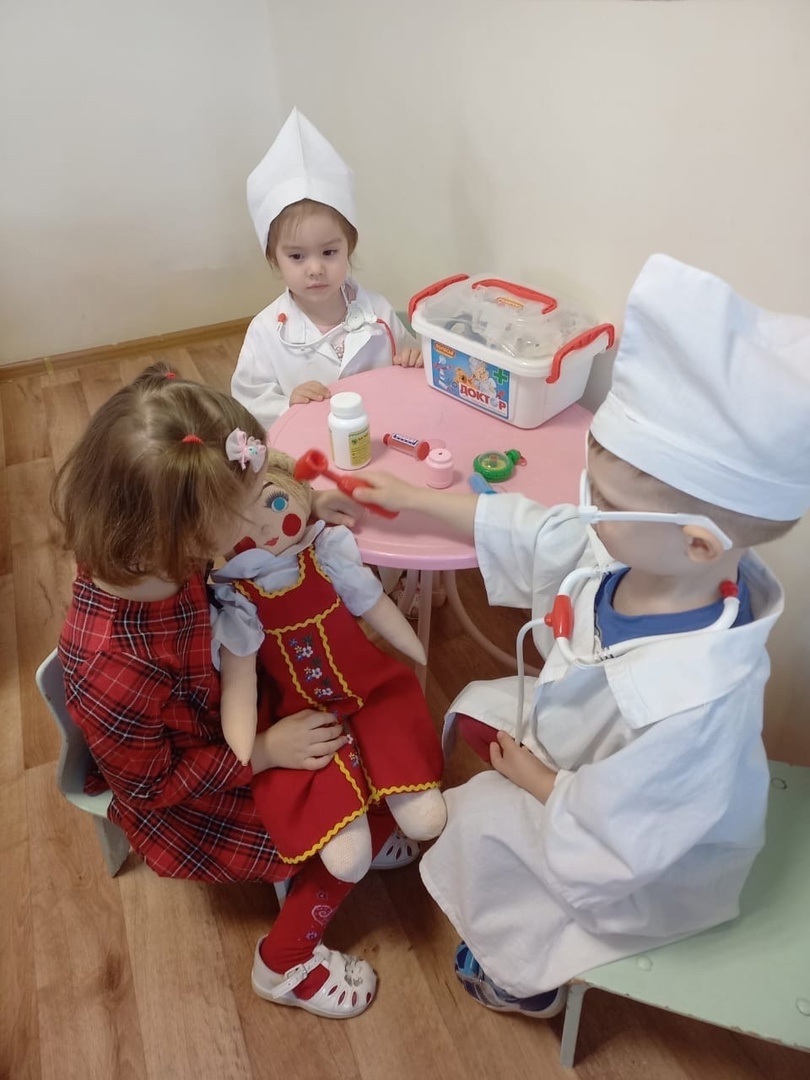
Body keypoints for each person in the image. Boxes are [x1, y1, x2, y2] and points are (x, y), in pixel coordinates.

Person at [352, 253, 810, 1017]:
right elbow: (538, 531)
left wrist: (540, 782)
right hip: (583, 757)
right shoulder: (637, 552)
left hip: (636, 847)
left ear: (698, 542)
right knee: (476, 714)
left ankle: (524, 979)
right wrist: (412, 498)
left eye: (606, 500)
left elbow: (631, 835)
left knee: (482, 829)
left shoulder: (698, 703)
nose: (586, 508)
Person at [51, 362, 421, 1019]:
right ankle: (284, 964)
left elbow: (256, 492)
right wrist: (268, 752)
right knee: (354, 808)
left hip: (235, 709)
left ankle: (358, 825)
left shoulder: (148, 539)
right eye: (246, 507)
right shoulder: (115, 668)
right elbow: (152, 788)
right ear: (192, 539)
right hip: (194, 791)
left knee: (385, 740)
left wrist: (307, 504)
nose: (263, 505)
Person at [209, 446, 446, 883]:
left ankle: (391, 795)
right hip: (298, 712)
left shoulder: (327, 554)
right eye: (241, 523)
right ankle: (352, 818)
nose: (266, 529)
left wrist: (410, 644)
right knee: (343, 847)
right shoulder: (237, 601)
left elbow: (372, 604)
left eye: (275, 503)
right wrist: (246, 746)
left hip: (367, 688)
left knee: (423, 810)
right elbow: (239, 683)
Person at [231, 107, 422, 430]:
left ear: (349, 247)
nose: (316, 268)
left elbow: (408, 361)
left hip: (379, 436)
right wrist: (287, 404)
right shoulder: (265, 332)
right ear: (274, 258)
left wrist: (414, 359)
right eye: (297, 256)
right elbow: (247, 401)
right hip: (306, 448)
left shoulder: (378, 313)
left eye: (329, 252)